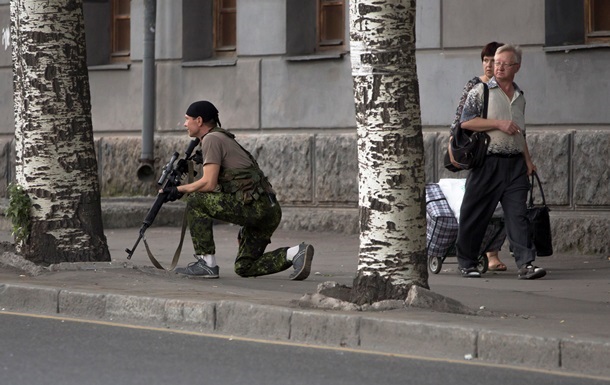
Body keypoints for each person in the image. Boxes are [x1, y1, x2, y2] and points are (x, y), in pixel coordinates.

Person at [164, 100, 314, 280]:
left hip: (255, 208)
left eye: (187, 119)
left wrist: (179, 189)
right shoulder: (222, 137)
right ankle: (295, 253)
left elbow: (209, 183)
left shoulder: (211, 139)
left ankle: (207, 263)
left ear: (199, 120)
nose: (184, 123)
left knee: (195, 200)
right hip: (268, 210)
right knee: (244, 266)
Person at [456, 44, 546, 280]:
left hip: (515, 165)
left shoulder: (519, 97)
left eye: (505, 63)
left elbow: (520, 133)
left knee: (518, 215)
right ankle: (467, 262)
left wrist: (528, 160)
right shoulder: (481, 91)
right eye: (497, 63)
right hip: (488, 162)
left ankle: (526, 264)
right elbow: (465, 123)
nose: (499, 67)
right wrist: (498, 123)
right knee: (475, 213)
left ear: (517, 66)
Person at [449, 41, 508, 271]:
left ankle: (492, 254)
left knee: (500, 209)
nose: (488, 65)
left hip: (502, 155)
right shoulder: (475, 86)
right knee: (477, 205)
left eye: (493, 60)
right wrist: (451, 144)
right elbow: (459, 119)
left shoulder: (507, 89)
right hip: (478, 153)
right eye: (485, 60)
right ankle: (475, 256)